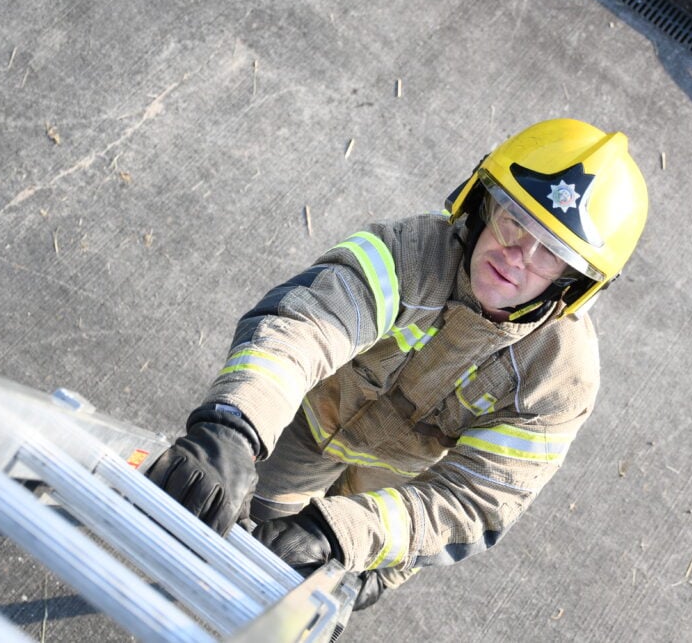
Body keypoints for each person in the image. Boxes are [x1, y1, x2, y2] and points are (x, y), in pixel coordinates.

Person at [147, 118, 648, 609]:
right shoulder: (409, 252)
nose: (518, 256)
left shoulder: (561, 378)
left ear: (574, 282)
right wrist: (234, 427)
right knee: (237, 530)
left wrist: (346, 540)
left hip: (398, 490)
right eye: (514, 220)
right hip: (310, 426)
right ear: (482, 200)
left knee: (306, 587)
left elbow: (475, 497)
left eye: (551, 253)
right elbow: (306, 325)